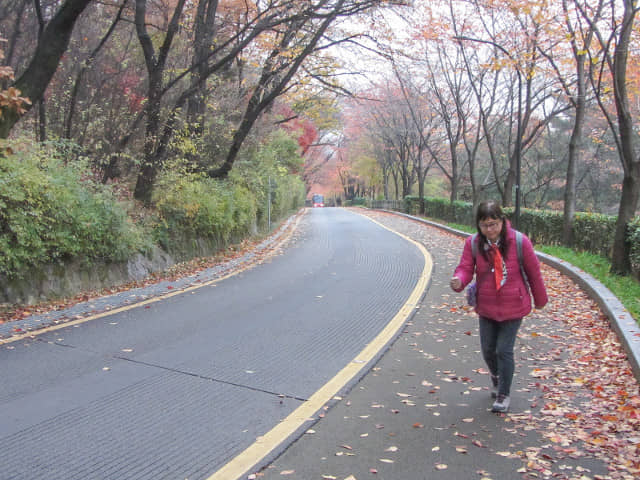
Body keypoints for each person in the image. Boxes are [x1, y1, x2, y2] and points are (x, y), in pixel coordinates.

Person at [450, 201, 548, 413]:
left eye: (494, 224)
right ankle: (496, 375)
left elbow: (533, 272)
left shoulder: (520, 242)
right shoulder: (474, 243)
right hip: (486, 306)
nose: (490, 229)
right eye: (485, 225)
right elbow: (466, 267)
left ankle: (503, 393)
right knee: (488, 350)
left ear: (502, 222)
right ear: (479, 225)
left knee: (504, 350)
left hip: (514, 305)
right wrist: (459, 279)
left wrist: (540, 300)